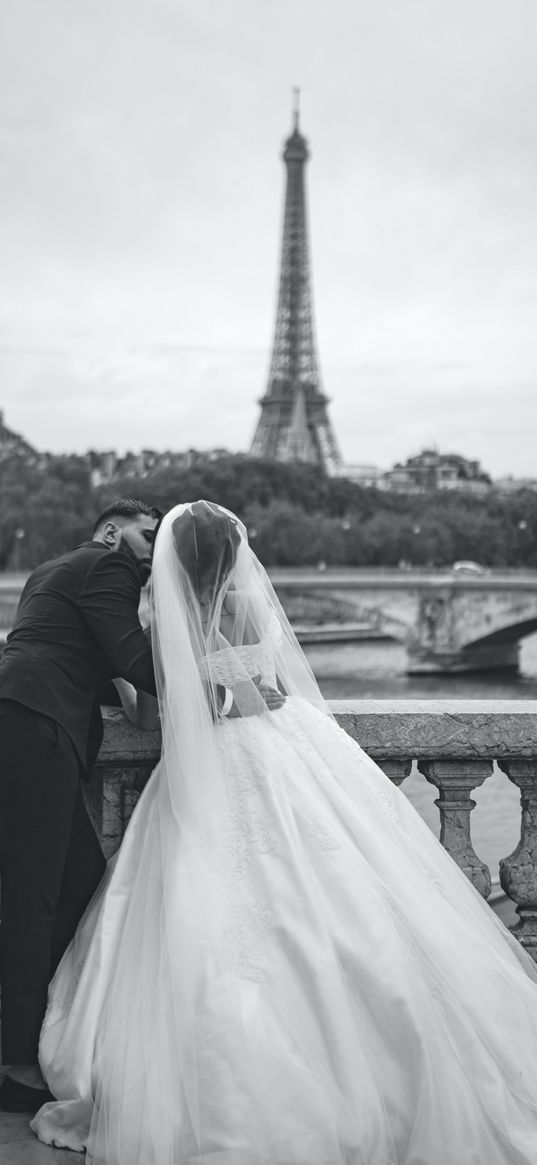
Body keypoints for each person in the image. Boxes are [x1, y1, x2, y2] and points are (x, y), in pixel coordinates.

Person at [31, 501, 537, 1164]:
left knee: (212, 909)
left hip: (216, 766)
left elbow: (161, 715)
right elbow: (266, 687)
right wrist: (238, 692)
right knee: (349, 886)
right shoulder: (251, 603)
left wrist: (132, 693)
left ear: (174, 558)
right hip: (294, 747)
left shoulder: (163, 613)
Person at [0, 497, 161, 1115]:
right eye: (149, 534)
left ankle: (34, 1028)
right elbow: (137, 665)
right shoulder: (108, 566)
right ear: (113, 531)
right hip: (35, 734)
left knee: (80, 881)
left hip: (30, 728)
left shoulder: (51, 571)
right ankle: (17, 1064)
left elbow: (88, 663)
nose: (155, 550)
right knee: (34, 900)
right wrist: (221, 673)